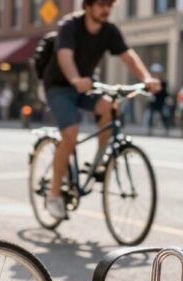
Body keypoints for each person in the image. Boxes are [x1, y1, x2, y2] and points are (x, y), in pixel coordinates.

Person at [42, 0, 159, 220]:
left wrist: (146, 78)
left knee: (110, 107)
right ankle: (54, 194)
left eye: (109, 5)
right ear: (87, 6)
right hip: (59, 86)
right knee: (71, 133)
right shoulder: (70, 26)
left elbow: (128, 56)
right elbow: (64, 56)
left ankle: (97, 163)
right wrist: (75, 79)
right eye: (101, 4)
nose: (106, 9)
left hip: (87, 85)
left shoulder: (109, 30)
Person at [145, 63, 170, 136]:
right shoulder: (150, 82)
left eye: (158, 73)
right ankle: (149, 130)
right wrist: (150, 95)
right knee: (150, 116)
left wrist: (167, 98)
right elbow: (148, 91)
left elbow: (165, 92)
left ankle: (166, 130)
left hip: (161, 102)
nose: (156, 74)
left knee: (164, 116)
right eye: (155, 73)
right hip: (153, 102)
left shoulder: (163, 83)